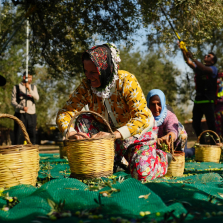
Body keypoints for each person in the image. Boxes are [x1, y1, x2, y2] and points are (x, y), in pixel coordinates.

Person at [56, 43, 168, 181]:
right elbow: (65, 112)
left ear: (105, 69)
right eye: (85, 71)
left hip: (137, 135)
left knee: (141, 173)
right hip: (108, 137)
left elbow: (142, 117)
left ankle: (161, 158)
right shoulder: (86, 86)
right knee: (82, 119)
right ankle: (114, 161)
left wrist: (114, 134)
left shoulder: (126, 81)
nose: (88, 76)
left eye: (93, 72)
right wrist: (71, 132)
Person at [179, 44, 218, 140]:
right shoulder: (198, 69)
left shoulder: (213, 69)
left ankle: (215, 144)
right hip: (198, 101)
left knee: (211, 125)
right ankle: (203, 143)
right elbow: (188, 61)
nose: (206, 56)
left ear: (212, 61)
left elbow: (204, 68)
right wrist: (183, 50)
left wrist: (193, 57)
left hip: (208, 101)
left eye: (209, 56)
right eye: (206, 55)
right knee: (195, 124)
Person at [146, 89, 188, 154]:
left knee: (185, 153)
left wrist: (168, 137)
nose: (156, 108)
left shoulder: (169, 116)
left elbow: (173, 131)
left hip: (175, 143)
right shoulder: (145, 117)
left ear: (163, 103)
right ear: (148, 104)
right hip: (156, 144)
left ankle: (192, 151)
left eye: (159, 104)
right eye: (153, 104)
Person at [11, 71, 39, 144]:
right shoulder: (16, 87)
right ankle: (18, 152)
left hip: (31, 114)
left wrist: (29, 89)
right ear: (24, 77)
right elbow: (13, 102)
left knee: (32, 134)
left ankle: (31, 151)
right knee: (19, 134)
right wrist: (21, 107)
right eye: (29, 77)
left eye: (31, 78)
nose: (31, 79)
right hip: (20, 114)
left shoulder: (33, 87)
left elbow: (37, 98)